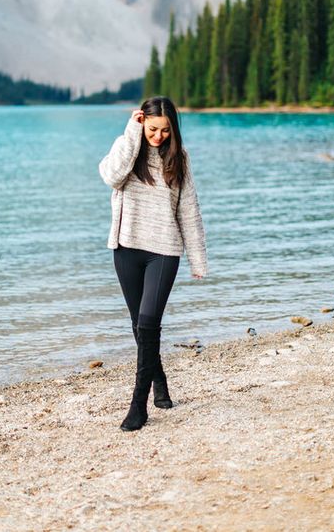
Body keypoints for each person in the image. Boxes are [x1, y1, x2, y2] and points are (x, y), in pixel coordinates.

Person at [98, 95, 207, 431]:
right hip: (126, 249)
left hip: (164, 250)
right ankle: (160, 383)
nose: (158, 136)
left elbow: (189, 211)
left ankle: (138, 405)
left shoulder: (180, 160)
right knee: (138, 327)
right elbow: (111, 176)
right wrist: (132, 134)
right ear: (142, 121)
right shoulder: (127, 146)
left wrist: (197, 259)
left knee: (148, 324)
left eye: (165, 131)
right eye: (153, 129)